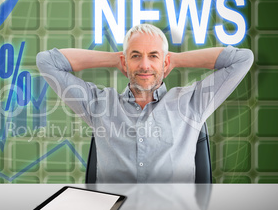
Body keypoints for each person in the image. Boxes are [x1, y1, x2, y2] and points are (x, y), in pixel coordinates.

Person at [36, 24, 253, 183]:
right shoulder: (99, 104)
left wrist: (175, 59)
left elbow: (242, 59)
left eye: (154, 56)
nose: (144, 65)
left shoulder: (192, 102)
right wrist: (114, 58)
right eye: (136, 56)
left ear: (165, 62)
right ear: (125, 62)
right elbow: (47, 61)